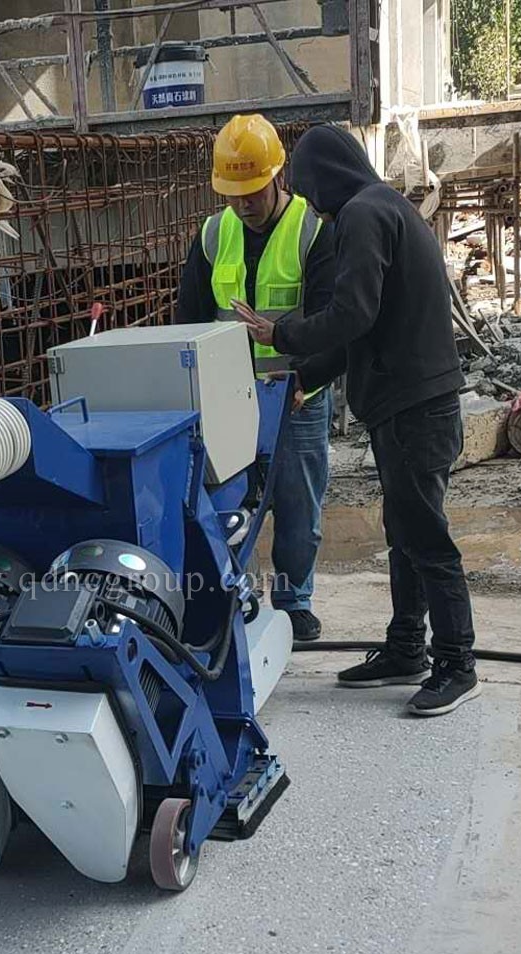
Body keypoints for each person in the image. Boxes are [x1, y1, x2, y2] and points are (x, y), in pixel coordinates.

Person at [238, 124, 479, 717]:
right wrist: (307, 376)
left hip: (413, 408)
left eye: (308, 188)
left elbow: (352, 313)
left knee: (425, 537)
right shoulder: (385, 206)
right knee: (405, 532)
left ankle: (456, 663)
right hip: (413, 402)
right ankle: (407, 648)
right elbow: (368, 329)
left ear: (325, 177)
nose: (312, 204)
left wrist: (281, 334)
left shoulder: (362, 215)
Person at [176, 113, 343, 643]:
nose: (243, 204)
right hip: (228, 401)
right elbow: (189, 321)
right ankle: (236, 599)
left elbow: (331, 322)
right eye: (233, 195)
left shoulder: (312, 231)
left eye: (252, 192)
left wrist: (305, 381)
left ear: (277, 177)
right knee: (228, 506)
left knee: (298, 507)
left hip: (296, 396)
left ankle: (293, 601)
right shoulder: (212, 235)